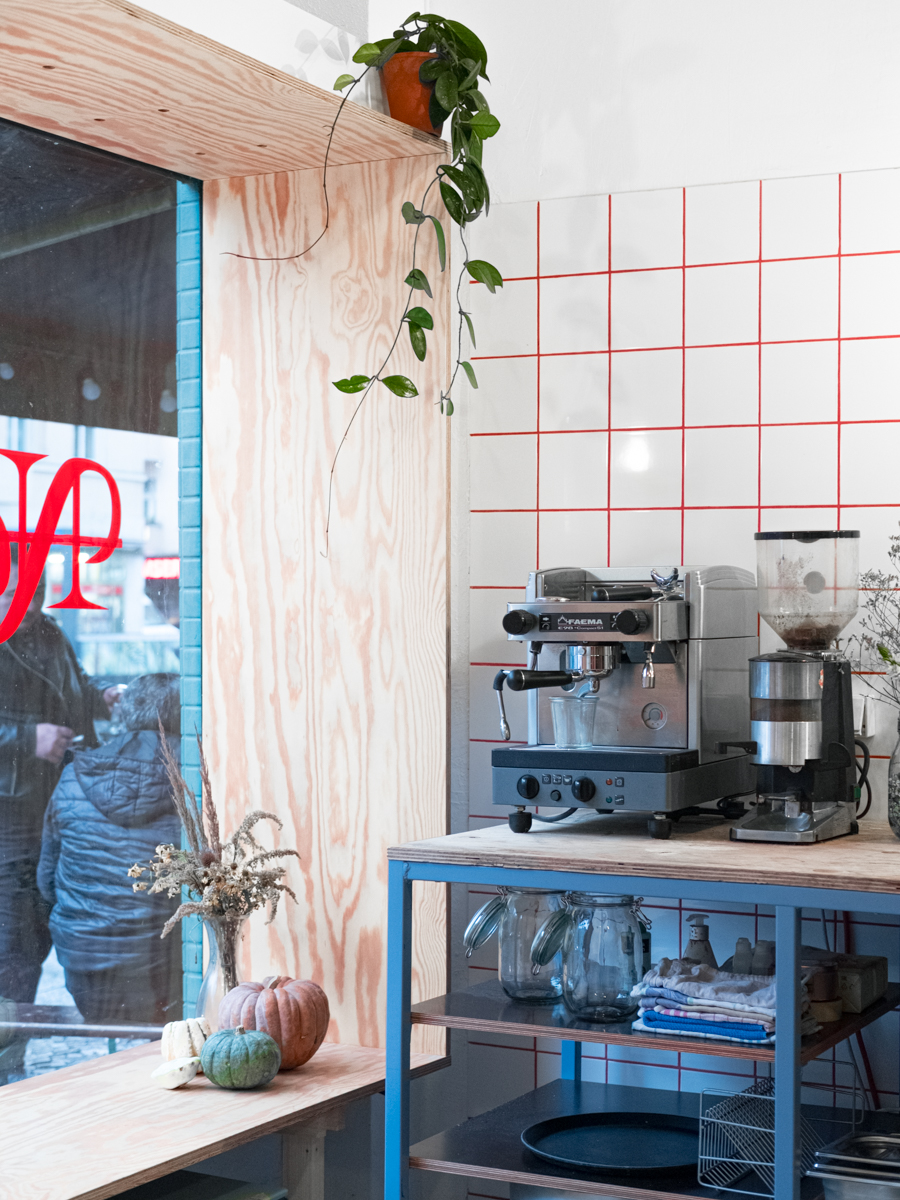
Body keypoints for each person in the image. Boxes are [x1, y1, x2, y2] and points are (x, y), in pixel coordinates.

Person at [0, 547, 120, 1010]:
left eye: (34, 593)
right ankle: (8, 1063)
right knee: (11, 942)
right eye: (13, 594)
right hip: (8, 818)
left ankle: (14, 1050)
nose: (27, 605)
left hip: (56, 810)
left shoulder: (50, 634)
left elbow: (77, 689)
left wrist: (104, 694)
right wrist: (27, 738)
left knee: (36, 935)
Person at [37, 673, 182, 1025]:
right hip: (164, 977)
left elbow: (46, 882)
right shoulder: (193, 775)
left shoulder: (74, 776)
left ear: (127, 715)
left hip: (86, 977)